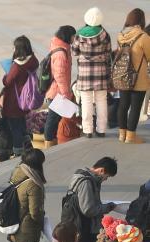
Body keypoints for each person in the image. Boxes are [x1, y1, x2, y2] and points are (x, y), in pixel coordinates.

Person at [5, 148, 46, 242]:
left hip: (14, 222)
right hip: (26, 228)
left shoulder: (18, 172)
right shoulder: (33, 183)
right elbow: (35, 212)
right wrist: (42, 221)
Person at [72, 7, 113, 138]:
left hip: (84, 73)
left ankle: (88, 130)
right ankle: (101, 129)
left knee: (86, 101)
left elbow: (74, 52)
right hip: (100, 72)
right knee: (101, 100)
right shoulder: (105, 34)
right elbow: (108, 55)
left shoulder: (79, 34)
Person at [68, 156, 118, 242]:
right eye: (106, 176)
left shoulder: (87, 178)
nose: (106, 179)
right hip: (85, 229)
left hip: (80, 226)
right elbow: (88, 209)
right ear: (101, 170)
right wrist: (107, 207)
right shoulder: (86, 182)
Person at [1, 36, 39, 157]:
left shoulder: (17, 65)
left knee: (15, 127)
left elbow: (8, 81)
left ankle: (18, 152)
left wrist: (4, 77)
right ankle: (28, 146)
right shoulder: (33, 60)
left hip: (14, 100)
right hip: (26, 98)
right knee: (22, 123)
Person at [116, 9, 150, 143]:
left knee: (123, 105)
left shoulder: (120, 36)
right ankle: (130, 136)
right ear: (141, 20)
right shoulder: (144, 37)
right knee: (135, 107)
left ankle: (121, 134)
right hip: (139, 78)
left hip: (123, 75)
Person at [43, 27, 76, 147]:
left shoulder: (63, 49)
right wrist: (66, 93)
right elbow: (60, 75)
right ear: (67, 36)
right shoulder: (61, 53)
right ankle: (48, 145)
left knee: (55, 120)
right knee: (52, 120)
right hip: (58, 92)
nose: (74, 38)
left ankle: (52, 143)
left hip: (59, 91)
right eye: (73, 36)